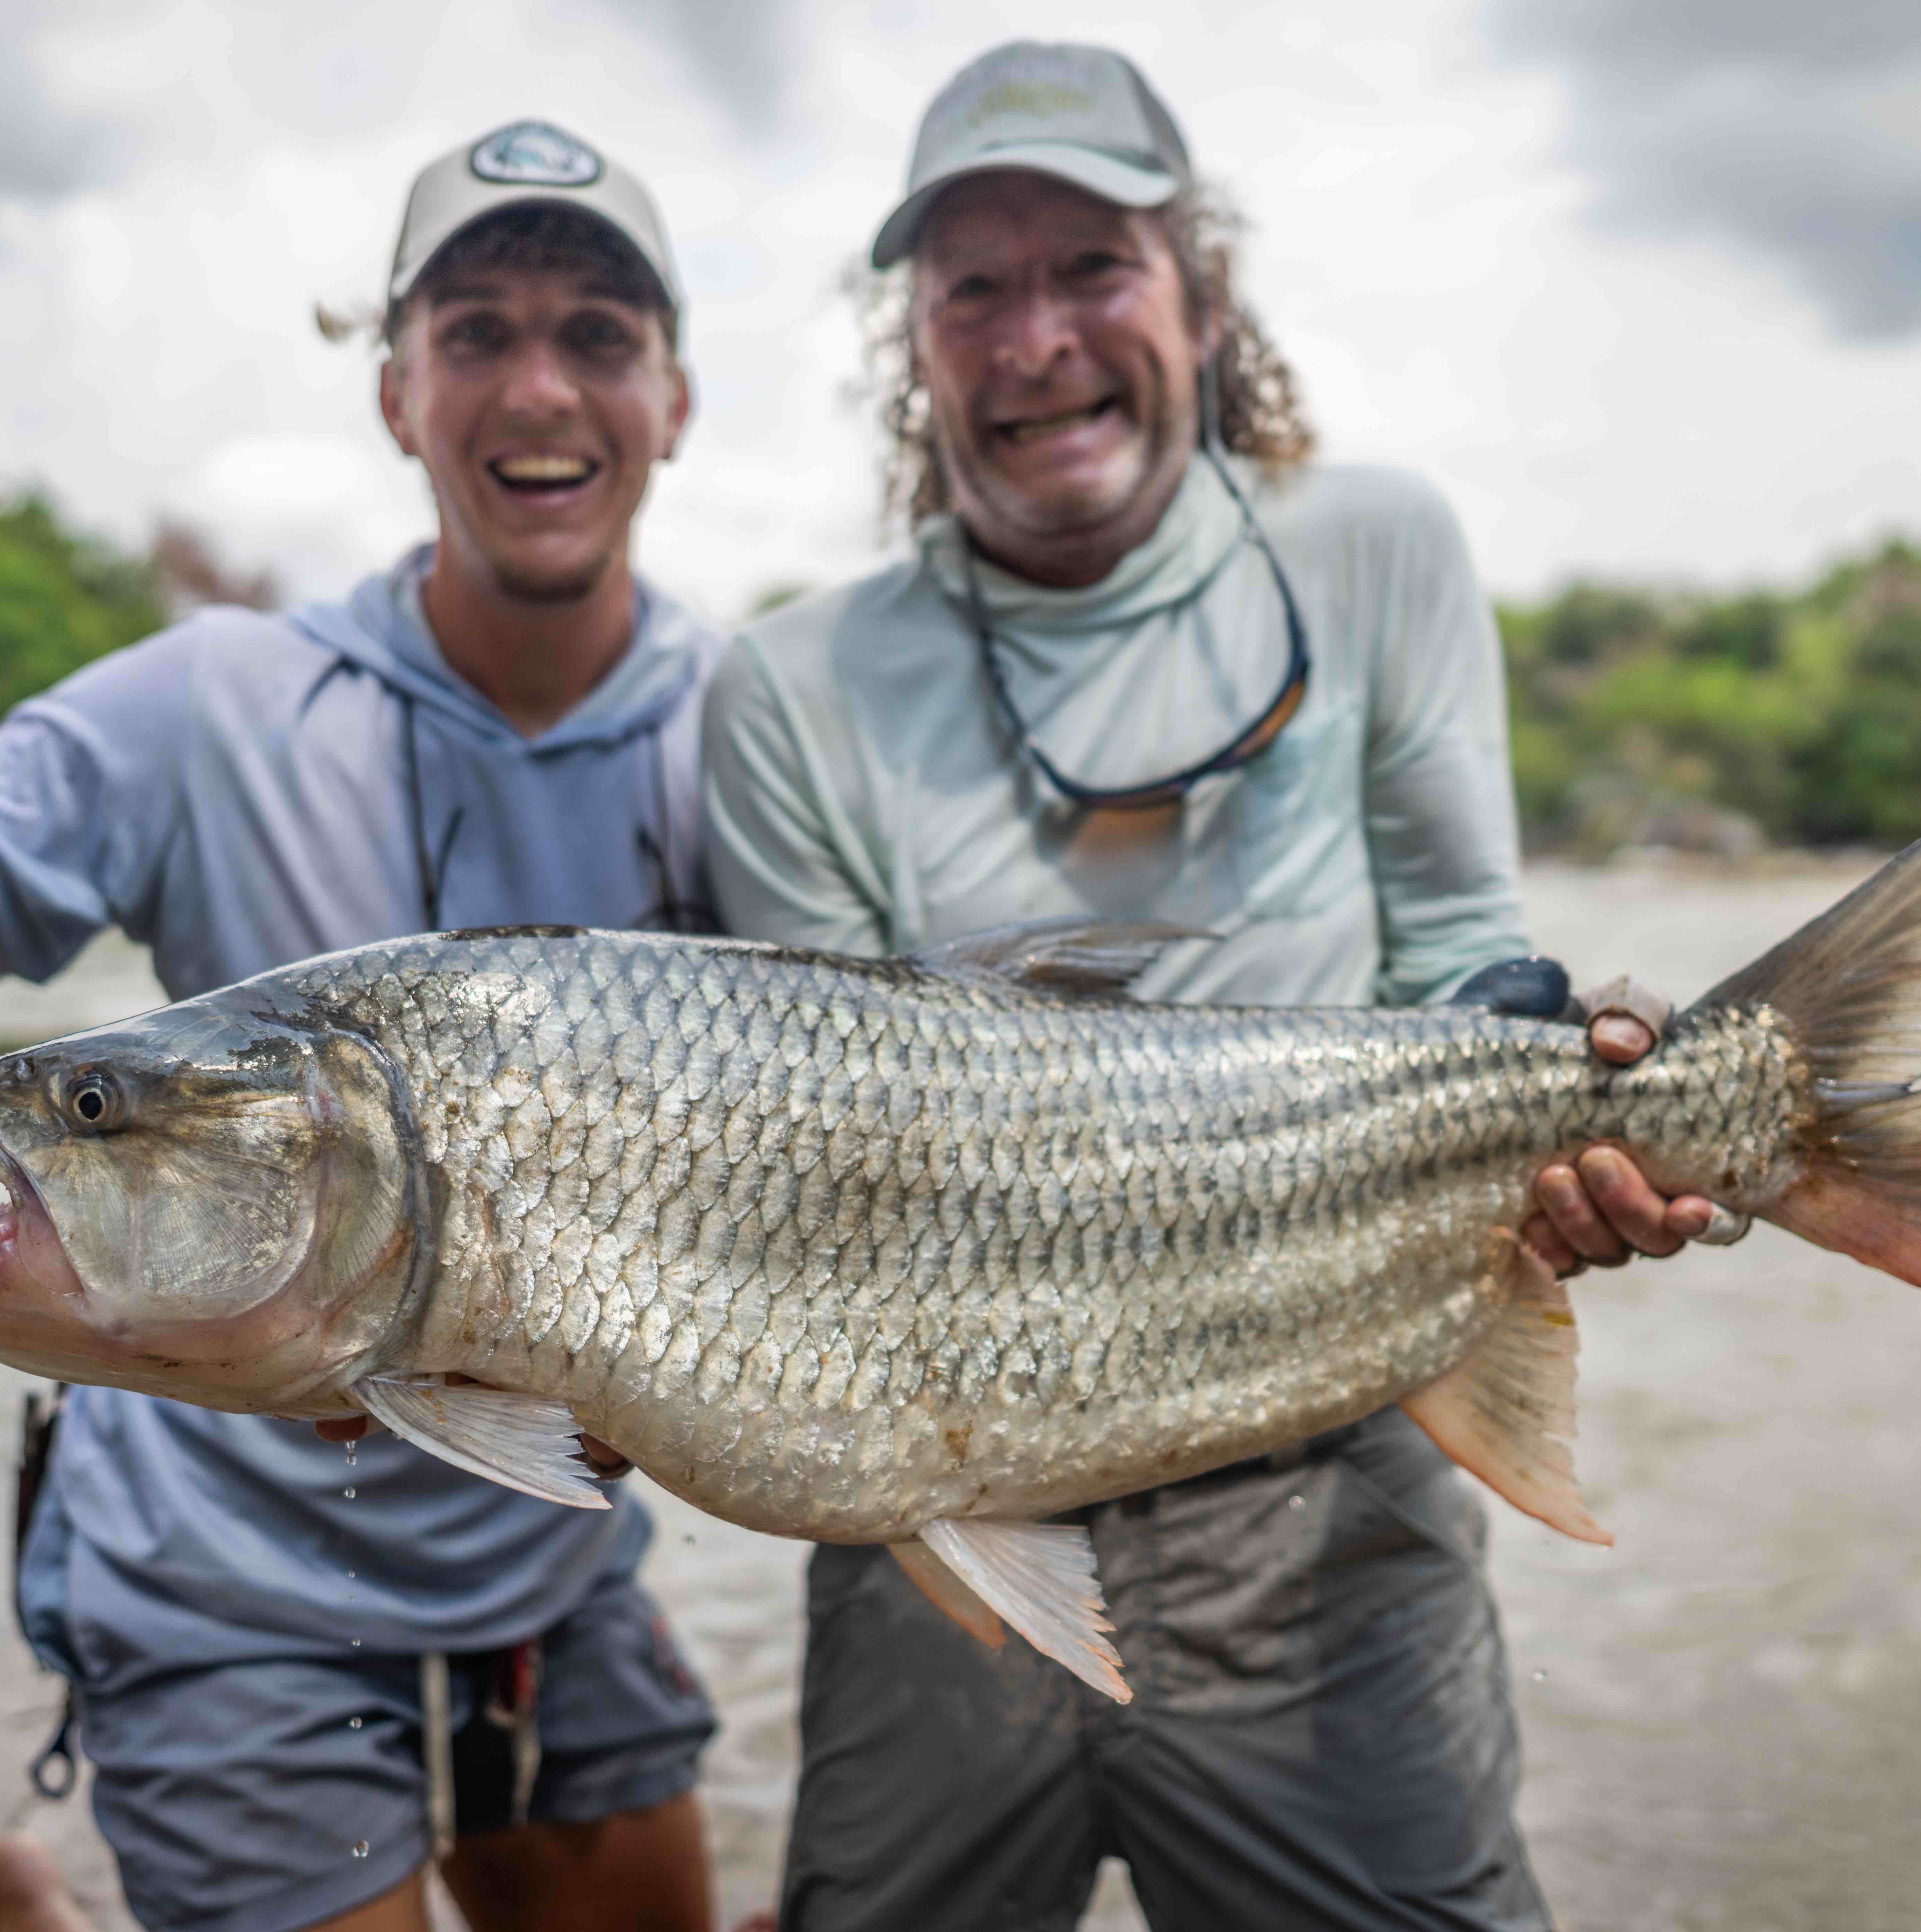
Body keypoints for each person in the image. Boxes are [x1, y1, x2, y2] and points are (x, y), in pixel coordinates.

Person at [0, 120, 722, 1932]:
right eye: (475, 331)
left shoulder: (756, 736)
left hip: (556, 1557)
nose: (539, 386)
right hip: (224, 1575)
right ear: (396, 392)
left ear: (675, 395)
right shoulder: (199, 712)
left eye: (598, 334)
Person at [702, 43, 1735, 1932]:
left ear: (1202, 293)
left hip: (1334, 1483)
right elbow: (824, 1162)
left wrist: (1577, 1115)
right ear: (913, 344)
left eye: (1093, 268)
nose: (1036, 341)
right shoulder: (786, 686)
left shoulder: (1378, 545)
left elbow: (1460, 963)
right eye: (974, 289)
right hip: (926, 1505)